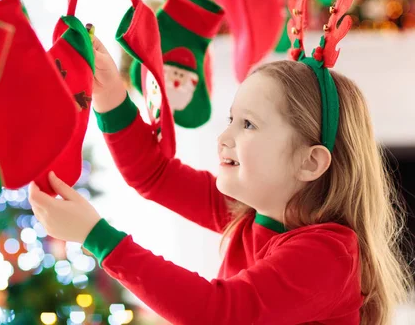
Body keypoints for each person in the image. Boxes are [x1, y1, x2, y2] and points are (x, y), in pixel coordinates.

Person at [29, 28, 415, 325]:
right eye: (232, 119)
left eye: (248, 124)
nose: (224, 137)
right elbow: (154, 174)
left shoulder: (330, 256)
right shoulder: (250, 213)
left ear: (310, 163)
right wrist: (110, 96)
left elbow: (218, 312)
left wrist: (98, 238)